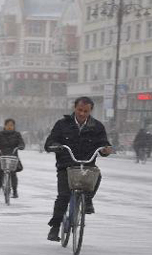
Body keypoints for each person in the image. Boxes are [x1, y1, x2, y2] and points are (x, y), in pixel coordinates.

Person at [44, 97, 112, 241]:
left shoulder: (97, 126)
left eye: (85, 111)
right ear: (75, 108)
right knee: (63, 196)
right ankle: (55, 227)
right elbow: (50, 142)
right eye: (80, 110)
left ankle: (87, 200)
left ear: (90, 111)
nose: (82, 114)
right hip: (66, 166)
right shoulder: (62, 124)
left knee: (97, 175)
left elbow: (103, 143)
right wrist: (55, 146)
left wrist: (106, 149)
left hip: (87, 165)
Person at [0, 118, 26, 198]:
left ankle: (15, 191)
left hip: (13, 156)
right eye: (8, 125)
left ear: (14, 126)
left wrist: (21, 146)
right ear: (5, 126)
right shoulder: (0, 134)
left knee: (13, 173)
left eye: (11, 125)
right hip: (2, 155)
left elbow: (21, 142)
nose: (10, 127)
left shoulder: (17, 134)